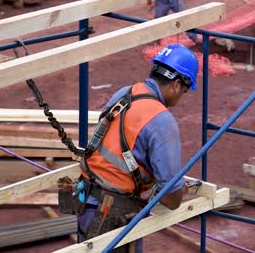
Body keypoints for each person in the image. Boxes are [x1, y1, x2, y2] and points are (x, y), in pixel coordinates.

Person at [76, 44, 199, 252]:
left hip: (85, 198)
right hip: (113, 214)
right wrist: (180, 190)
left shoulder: (124, 94)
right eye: (184, 91)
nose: (180, 98)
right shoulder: (162, 121)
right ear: (177, 84)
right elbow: (170, 198)